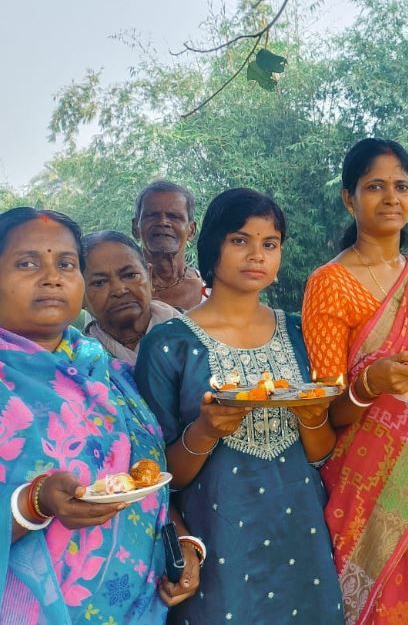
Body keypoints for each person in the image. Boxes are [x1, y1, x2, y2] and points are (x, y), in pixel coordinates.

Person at [135, 189, 345, 624]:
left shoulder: (301, 333)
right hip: (218, 545)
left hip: (301, 538)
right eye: (240, 240)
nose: (257, 255)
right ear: (212, 245)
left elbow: (322, 454)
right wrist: (205, 431)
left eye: (270, 244)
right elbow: (154, 477)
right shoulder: (169, 344)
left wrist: (310, 419)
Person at [301, 138, 408, 624]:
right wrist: (370, 384)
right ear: (348, 197)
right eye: (374, 186)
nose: (391, 198)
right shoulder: (330, 284)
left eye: (401, 186)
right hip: (364, 488)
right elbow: (323, 412)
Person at [0, 207, 198, 623]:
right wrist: (34, 503)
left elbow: (145, 476)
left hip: (146, 606)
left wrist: (181, 541)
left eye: (66, 264)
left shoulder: (108, 372)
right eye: (27, 263)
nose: (52, 277)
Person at [81, 231, 179, 364]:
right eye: (99, 282)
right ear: (80, 296)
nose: (119, 290)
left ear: (150, 277)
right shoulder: (80, 360)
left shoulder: (192, 334)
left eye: (130, 275)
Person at [132, 180, 206, 311]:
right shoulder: (118, 293)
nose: (163, 222)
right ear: (135, 227)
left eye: (174, 216)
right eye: (152, 215)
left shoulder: (212, 291)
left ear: (192, 230)